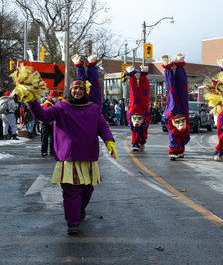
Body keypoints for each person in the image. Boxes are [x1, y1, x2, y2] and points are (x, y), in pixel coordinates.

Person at [18, 75, 117, 235]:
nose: (77, 91)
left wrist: (109, 141)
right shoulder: (61, 107)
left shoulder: (93, 108)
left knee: (87, 190)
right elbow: (42, 116)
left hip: (88, 157)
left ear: (85, 91)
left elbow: (103, 127)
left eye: (80, 89)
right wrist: (31, 100)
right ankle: (73, 223)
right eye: (74, 88)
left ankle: (79, 210)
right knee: (72, 192)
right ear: (70, 91)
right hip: (68, 158)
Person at [162, 54, 190, 160]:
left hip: (176, 111)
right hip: (179, 110)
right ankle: (174, 149)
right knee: (173, 91)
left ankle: (177, 66)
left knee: (175, 90)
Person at [124, 65, 151, 151]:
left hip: (136, 108)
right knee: (141, 92)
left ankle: (139, 142)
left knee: (135, 92)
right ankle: (136, 142)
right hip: (140, 108)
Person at [41, 90, 59, 157]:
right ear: (53, 97)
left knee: (52, 139)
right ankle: (44, 151)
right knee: (45, 138)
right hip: (47, 123)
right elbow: (45, 115)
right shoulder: (47, 103)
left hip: (51, 123)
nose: (57, 99)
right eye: (56, 97)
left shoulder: (51, 102)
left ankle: (52, 151)